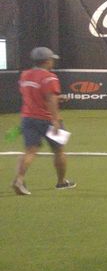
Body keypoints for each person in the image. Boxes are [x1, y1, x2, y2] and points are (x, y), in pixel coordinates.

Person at [12, 47, 74, 195]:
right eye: (52, 59)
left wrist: (57, 97)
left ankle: (19, 180)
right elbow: (50, 99)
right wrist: (56, 120)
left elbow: (32, 94)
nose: (53, 62)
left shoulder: (25, 75)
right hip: (46, 119)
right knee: (59, 150)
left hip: (28, 118)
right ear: (47, 61)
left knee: (30, 151)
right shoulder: (50, 77)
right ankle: (61, 182)